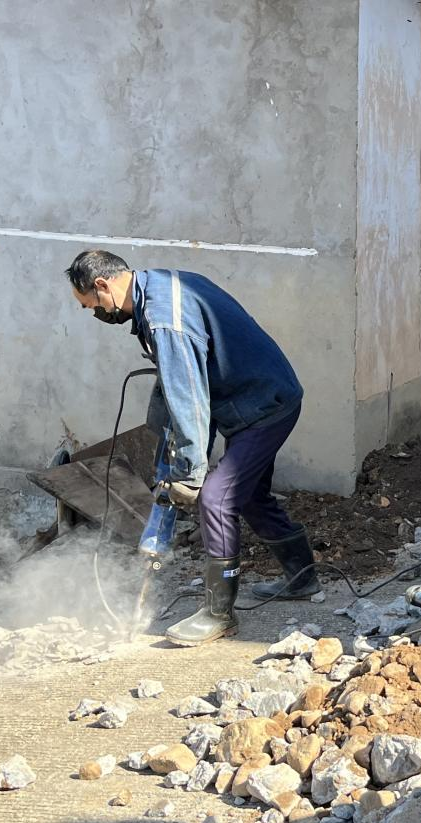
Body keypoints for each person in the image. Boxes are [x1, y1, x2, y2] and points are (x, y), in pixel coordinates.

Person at [65, 250, 322, 646]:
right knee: (250, 495)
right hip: (258, 396)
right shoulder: (162, 285)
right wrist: (164, 459)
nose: (95, 313)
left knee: (216, 499)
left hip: (264, 405)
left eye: (92, 305)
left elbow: (189, 398)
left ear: (103, 285)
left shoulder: (166, 319)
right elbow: (177, 389)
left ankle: (219, 615)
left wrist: (187, 471)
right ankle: (303, 578)